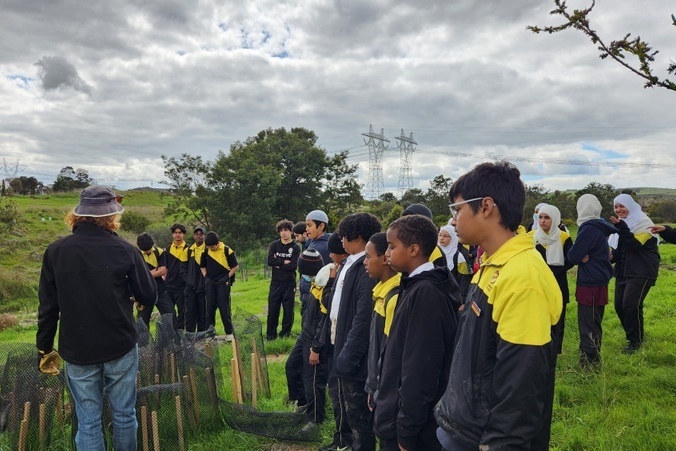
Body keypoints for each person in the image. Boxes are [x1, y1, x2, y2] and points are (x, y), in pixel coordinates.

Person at [435, 161, 561, 450]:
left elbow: (521, 384)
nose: (452, 220)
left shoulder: (523, 278)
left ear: (486, 206)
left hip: (485, 438)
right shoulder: (492, 263)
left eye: (457, 209)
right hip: (464, 427)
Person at [37, 186, 157, 451]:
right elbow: (149, 296)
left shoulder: (56, 251)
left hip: (78, 349)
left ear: (77, 215)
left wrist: (45, 348)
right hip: (120, 345)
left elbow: (47, 308)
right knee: (124, 415)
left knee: (89, 420)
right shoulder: (125, 250)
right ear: (111, 217)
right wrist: (132, 295)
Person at [374, 216, 459, 450]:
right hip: (396, 417)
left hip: (411, 431)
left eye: (392, 246)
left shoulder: (426, 294)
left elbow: (420, 370)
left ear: (413, 250)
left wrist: (407, 432)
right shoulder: (412, 284)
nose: (387, 253)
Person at [330, 212, 381, 451]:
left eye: (344, 236)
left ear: (357, 236)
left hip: (355, 356)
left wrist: (348, 355)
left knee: (359, 416)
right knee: (347, 409)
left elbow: (362, 319)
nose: (341, 240)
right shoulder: (349, 264)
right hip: (342, 346)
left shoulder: (366, 269)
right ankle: (345, 443)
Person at [567, 194, 617, 368]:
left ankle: (589, 361)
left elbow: (573, 256)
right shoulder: (599, 226)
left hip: (590, 281)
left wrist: (580, 257)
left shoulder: (588, 228)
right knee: (594, 321)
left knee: (588, 322)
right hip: (599, 280)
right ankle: (592, 357)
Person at [315, 232, 354, 451]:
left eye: (333, 252)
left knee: (340, 396)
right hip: (334, 341)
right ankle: (341, 438)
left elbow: (329, 302)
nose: (330, 255)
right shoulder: (343, 267)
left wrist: (330, 282)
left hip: (341, 344)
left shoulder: (345, 271)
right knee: (337, 395)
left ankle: (344, 442)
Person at [609, 193, 660, 354]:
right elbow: (620, 249)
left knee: (631, 305)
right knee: (619, 306)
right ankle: (634, 335)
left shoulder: (644, 223)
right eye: (616, 206)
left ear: (630, 206)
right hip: (624, 270)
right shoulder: (623, 225)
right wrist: (609, 257)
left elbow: (635, 244)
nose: (618, 209)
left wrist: (622, 229)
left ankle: (635, 342)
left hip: (642, 270)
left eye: (622, 206)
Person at [284, 248, 327, 423]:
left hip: (315, 340)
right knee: (291, 367)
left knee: (312, 381)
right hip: (304, 335)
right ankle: (302, 403)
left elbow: (324, 322)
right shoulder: (311, 285)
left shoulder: (324, 289)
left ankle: (315, 419)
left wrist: (316, 347)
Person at [363, 232, 401, 414]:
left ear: (385, 259)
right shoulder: (380, 291)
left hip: (385, 390)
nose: (365, 262)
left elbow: (389, 352)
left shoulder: (393, 296)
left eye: (368, 257)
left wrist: (376, 387)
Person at [532, 204, 574, 355]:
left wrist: (554, 271)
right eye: (540, 217)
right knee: (539, 315)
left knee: (558, 316)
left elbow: (571, 259)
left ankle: (556, 349)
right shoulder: (532, 237)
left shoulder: (564, 237)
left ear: (555, 218)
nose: (542, 221)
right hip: (538, 283)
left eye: (547, 218)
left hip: (558, 282)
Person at [266, 219, 301, 340]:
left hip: (289, 283)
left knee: (288, 311)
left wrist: (278, 263)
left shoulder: (295, 247)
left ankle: (285, 334)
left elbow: (293, 265)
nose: (283, 233)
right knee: (273, 310)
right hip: (275, 283)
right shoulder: (274, 245)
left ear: (291, 231)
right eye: (281, 231)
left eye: (286, 230)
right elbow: (270, 261)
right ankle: (270, 335)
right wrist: (284, 262)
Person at [201, 231, 239, 341]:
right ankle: (210, 333)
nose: (211, 248)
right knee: (210, 307)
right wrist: (206, 277)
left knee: (224, 307)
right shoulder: (205, 250)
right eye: (209, 247)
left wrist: (226, 277)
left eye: (212, 246)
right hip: (210, 281)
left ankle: (229, 332)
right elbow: (202, 266)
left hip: (223, 280)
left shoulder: (227, 250)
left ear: (218, 243)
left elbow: (235, 266)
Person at [136, 232, 175, 327]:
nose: (147, 251)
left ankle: (170, 340)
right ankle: (143, 342)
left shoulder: (159, 252)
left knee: (170, 314)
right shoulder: (135, 254)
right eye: (145, 250)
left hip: (160, 290)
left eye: (149, 249)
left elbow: (162, 271)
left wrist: (144, 274)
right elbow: (134, 274)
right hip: (143, 292)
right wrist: (154, 272)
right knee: (142, 321)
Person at [300, 210, 331, 316]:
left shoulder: (323, 247)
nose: (306, 229)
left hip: (315, 296)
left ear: (321, 226)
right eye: (306, 225)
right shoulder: (314, 243)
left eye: (309, 225)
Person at [402, 203, 447, 268]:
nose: (403, 225)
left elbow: (440, 276)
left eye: (409, 222)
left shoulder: (435, 251)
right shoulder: (401, 246)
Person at [184, 227, 208, 332]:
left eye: (201, 234)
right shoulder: (188, 250)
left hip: (203, 286)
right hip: (190, 287)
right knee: (190, 312)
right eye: (196, 234)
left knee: (203, 312)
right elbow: (183, 267)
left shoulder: (207, 249)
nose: (198, 236)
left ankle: (201, 334)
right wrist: (188, 280)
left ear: (204, 236)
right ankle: (189, 335)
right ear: (194, 236)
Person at [165, 223, 189, 330]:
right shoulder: (167, 249)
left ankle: (180, 333)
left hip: (182, 285)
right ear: (172, 234)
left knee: (182, 311)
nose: (177, 235)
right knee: (169, 311)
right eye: (175, 233)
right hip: (169, 285)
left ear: (184, 235)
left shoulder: (189, 249)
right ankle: (172, 332)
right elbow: (164, 267)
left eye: (180, 233)